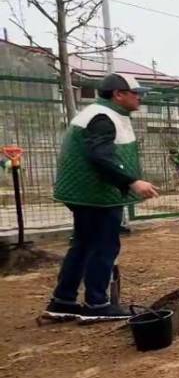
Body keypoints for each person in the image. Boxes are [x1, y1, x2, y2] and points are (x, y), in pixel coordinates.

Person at [45, 73, 160, 320]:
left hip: (87, 193)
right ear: (118, 94)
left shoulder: (103, 114)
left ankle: (63, 301)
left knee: (84, 244)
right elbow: (100, 156)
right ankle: (97, 305)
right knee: (103, 245)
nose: (140, 98)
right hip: (95, 194)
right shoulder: (102, 118)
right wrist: (131, 181)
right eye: (136, 93)